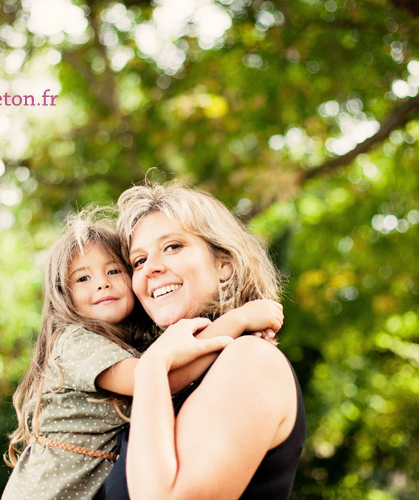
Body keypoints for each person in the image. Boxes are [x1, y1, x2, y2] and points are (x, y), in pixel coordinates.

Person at [2, 211, 285, 500]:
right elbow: (159, 377)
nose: (102, 283)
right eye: (83, 278)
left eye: (114, 271)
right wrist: (237, 323)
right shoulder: (74, 343)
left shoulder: (136, 344)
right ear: (64, 295)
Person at [97, 182, 306, 500]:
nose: (151, 268)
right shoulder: (165, 384)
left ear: (224, 264)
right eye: (138, 261)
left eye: (173, 247)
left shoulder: (251, 360)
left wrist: (152, 365)